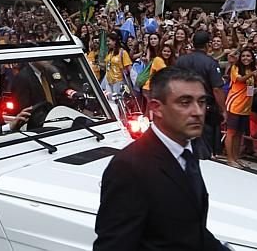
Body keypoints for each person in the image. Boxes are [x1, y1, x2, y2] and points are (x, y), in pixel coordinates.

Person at [94, 66, 229, 251]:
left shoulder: (187, 152)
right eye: (184, 102)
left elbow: (190, 231)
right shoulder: (129, 167)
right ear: (156, 107)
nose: (198, 111)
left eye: (202, 102)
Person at [174, 31, 227, 159]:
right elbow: (217, 89)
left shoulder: (181, 61)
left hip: (182, 106)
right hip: (203, 109)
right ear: (208, 44)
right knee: (202, 145)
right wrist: (223, 110)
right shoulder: (210, 63)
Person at [224, 48, 257, 168]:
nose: (245, 58)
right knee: (231, 132)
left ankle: (236, 157)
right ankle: (230, 159)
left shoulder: (252, 69)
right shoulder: (235, 67)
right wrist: (252, 73)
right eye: (243, 56)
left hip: (245, 107)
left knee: (239, 133)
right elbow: (240, 79)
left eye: (248, 56)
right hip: (234, 104)